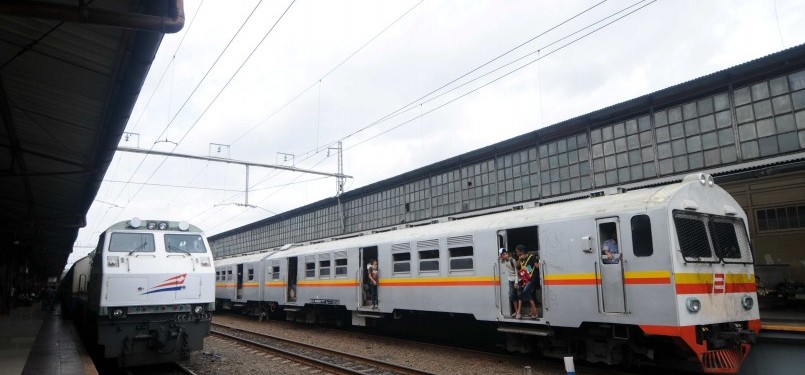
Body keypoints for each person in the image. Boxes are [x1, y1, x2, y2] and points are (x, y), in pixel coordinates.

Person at [515, 244, 540, 319]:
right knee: (530, 293)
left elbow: (537, 266)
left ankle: (535, 311)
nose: (517, 254)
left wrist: (540, 261)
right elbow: (516, 266)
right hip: (526, 279)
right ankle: (533, 311)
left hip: (533, 278)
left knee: (526, 291)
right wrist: (520, 259)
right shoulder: (522, 259)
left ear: (522, 251)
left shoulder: (531, 257)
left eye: (517, 252)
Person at [499, 248, 518, 318]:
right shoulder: (504, 261)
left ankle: (518, 312)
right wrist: (501, 257)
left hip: (516, 280)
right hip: (510, 280)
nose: (505, 255)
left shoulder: (513, 260)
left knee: (517, 296)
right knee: (512, 296)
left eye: (505, 253)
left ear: (507, 253)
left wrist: (516, 282)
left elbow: (516, 272)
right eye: (503, 255)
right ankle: (516, 311)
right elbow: (500, 261)